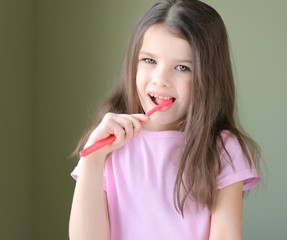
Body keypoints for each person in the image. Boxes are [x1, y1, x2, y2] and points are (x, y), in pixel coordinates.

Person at [69, 0, 261, 239]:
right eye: (149, 61)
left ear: (208, 78)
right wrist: (93, 159)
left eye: (182, 68)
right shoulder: (108, 143)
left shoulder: (223, 149)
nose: (160, 79)